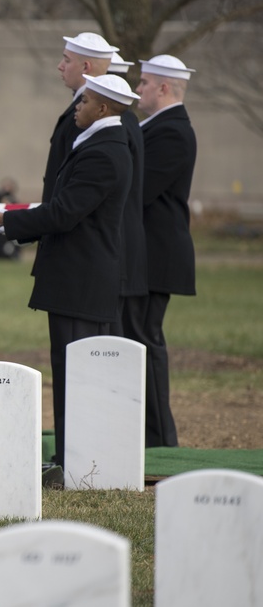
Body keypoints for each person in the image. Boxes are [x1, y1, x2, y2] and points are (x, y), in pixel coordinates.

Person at [0, 73, 137, 470]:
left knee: (75, 374)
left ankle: (76, 460)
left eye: (83, 103)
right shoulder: (101, 143)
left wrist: (3, 219)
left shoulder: (104, 151)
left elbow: (64, 213)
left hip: (80, 277)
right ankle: (73, 456)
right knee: (73, 372)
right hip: (78, 275)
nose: (76, 109)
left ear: (102, 108)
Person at [123, 54, 198, 448]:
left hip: (156, 256)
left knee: (145, 340)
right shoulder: (159, 127)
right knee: (137, 338)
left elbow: (140, 190)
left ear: (164, 87)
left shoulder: (172, 131)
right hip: (148, 254)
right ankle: (148, 432)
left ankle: (160, 439)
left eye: (144, 83)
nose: (138, 90)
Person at [42, 33, 117, 205]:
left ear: (85, 67)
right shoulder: (89, 106)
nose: (60, 66)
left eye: (67, 60)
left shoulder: (91, 113)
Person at [107, 54, 148, 338]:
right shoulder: (129, 121)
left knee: (118, 336)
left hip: (117, 245)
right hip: (121, 242)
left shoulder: (119, 124)